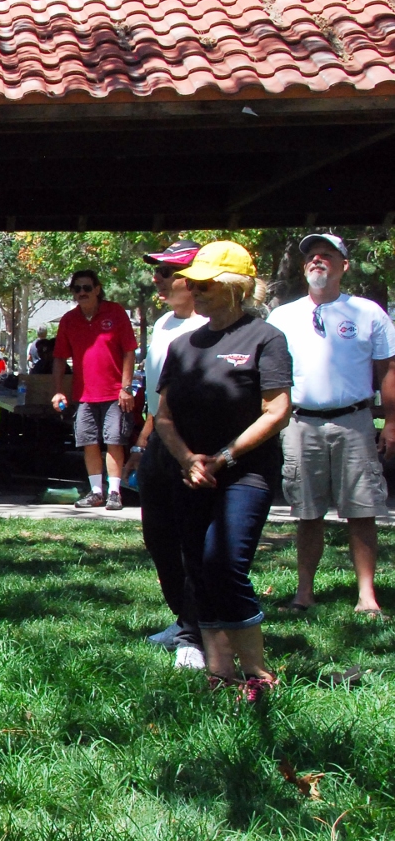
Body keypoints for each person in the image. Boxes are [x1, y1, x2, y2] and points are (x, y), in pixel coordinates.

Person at [155, 241, 291, 699]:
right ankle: (219, 673)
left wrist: (224, 457)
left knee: (225, 562)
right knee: (197, 565)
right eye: (193, 282)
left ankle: (256, 672)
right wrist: (187, 459)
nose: (196, 290)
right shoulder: (181, 344)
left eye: (206, 283)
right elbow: (165, 417)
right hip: (192, 472)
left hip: (245, 472)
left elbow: (276, 411)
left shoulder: (265, 338)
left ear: (236, 288)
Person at [266, 233, 395, 615]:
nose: (317, 261)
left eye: (326, 255)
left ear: (344, 266)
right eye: (311, 256)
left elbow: (388, 369)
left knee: (362, 509)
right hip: (300, 423)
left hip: (354, 421)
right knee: (307, 512)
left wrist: (390, 422)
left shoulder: (368, 312)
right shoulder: (282, 316)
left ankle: (367, 597)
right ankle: (303, 593)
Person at [128, 240, 209, 666]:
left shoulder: (210, 327)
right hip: (160, 440)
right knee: (158, 536)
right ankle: (183, 618)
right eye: (157, 272)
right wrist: (144, 439)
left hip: (195, 444)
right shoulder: (162, 325)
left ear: (194, 280)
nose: (156, 280)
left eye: (166, 273)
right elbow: (159, 396)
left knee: (191, 539)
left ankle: (196, 635)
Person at [51, 270, 138, 510]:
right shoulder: (69, 320)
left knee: (114, 441)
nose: (81, 293)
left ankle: (115, 492)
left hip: (114, 393)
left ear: (97, 289)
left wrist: (126, 387)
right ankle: (96, 491)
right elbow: (59, 357)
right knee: (88, 442)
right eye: (77, 289)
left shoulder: (116, 312)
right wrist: (58, 390)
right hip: (84, 395)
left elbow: (129, 351)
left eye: (87, 288)